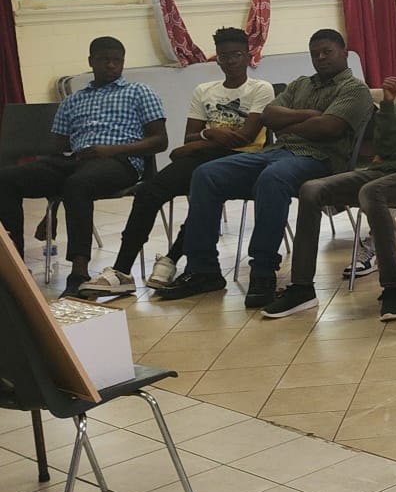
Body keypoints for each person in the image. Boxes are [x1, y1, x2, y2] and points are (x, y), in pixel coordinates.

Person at [158, 28, 372, 307]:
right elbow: (270, 116)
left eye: (327, 52)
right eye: (315, 53)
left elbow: (329, 128)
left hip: (322, 160)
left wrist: (290, 124)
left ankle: (263, 272)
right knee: (206, 174)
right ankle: (203, 270)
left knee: (273, 178)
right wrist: (309, 116)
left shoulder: (354, 89)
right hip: (276, 153)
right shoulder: (300, 84)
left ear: (344, 53)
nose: (320, 57)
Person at [265, 42, 396, 323]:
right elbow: (386, 147)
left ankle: (394, 288)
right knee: (312, 189)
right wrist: (387, 104)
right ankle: (302, 288)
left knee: (372, 191)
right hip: (389, 171)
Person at [80, 27, 275, 298]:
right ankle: (122, 270)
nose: (230, 61)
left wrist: (202, 139)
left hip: (244, 160)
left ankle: (172, 258)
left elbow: (245, 138)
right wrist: (211, 135)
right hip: (204, 155)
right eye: (223, 56)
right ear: (217, 59)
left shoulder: (261, 88)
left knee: (204, 190)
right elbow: (189, 137)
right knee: (149, 191)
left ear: (248, 56)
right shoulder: (204, 90)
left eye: (236, 55)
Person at [0, 37, 166, 295]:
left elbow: (160, 141)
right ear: (91, 61)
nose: (111, 65)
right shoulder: (72, 101)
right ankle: (15, 265)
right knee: (6, 178)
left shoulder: (139, 92)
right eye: (104, 60)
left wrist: (112, 150)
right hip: (76, 161)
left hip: (119, 162)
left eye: (117, 61)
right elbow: (59, 148)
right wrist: (51, 211)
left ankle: (78, 273)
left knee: (78, 184)